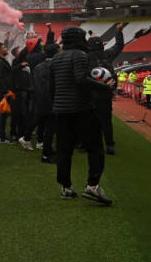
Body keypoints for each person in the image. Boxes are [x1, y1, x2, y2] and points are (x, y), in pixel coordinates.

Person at [50, 26, 113, 205]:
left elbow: (52, 88)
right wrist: (104, 86)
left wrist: (56, 105)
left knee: (64, 150)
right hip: (81, 110)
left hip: (60, 111)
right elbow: (80, 79)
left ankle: (66, 188)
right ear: (79, 39)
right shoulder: (79, 55)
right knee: (95, 148)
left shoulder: (56, 58)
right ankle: (92, 186)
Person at [87, 23, 125, 155]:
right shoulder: (107, 55)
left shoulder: (85, 57)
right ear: (101, 45)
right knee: (107, 121)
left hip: (90, 95)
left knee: (90, 120)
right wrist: (118, 32)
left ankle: (87, 144)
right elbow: (119, 46)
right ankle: (109, 145)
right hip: (105, 95)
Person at [33, 43, 58, 163]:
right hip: (52, 102)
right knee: (50, 129)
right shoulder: (55, 66)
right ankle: (46, 154)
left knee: (46, 128)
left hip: (41, 101)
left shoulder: (38, 67)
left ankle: (47, 152)